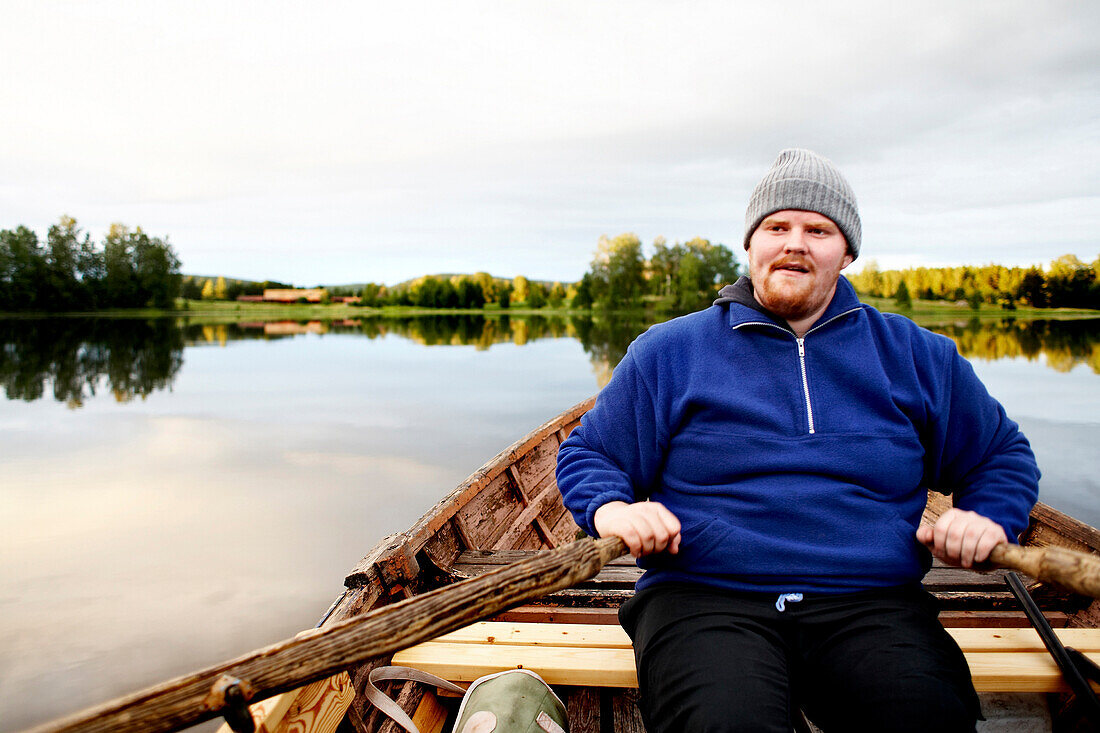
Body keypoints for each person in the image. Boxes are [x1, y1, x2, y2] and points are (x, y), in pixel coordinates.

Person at [555, 148, 1040, 732]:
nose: (795, 243)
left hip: (871, 601)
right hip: (704, 596)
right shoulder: (669, 351)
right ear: (751, 244)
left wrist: (987, 515)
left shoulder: (917, 355)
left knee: (926, 718)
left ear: (847, 251)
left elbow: (998, 455)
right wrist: (612, 508)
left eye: (818, 229)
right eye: (776, 227)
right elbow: (592, 452)